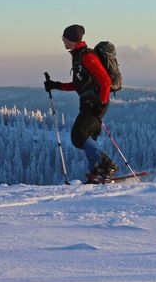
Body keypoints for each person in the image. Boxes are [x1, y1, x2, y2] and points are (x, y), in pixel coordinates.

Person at [44, 24, 118, 182]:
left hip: (95, 104)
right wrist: (56, 85)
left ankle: (106, 165)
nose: (63, 41)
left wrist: (102, 102)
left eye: (64, 38)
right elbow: (79, 84)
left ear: (71, 39)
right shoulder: (78, 56)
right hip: (89, 103)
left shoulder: (86, 56)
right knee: (88, 138)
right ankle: (97, 174)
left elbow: (105, 80)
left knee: (79, 136)